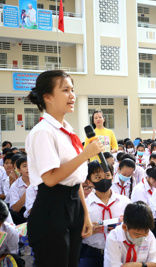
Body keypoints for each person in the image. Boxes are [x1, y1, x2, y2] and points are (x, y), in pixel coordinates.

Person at [25, 70, 103, 267]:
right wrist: (85, 154)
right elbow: (51, 179)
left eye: (73, 90)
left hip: (73, 204)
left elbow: (74, 178)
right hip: (52, 207)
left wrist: (84, 214)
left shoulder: (66, 129)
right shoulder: (43, 132)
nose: (72, 95)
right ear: (48, 97)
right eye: (65, 90)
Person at [79, 161, 131, 267]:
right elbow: (76, 233)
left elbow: (136, 229)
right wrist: (86, 231)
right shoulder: (85, 206)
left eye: (107, 175)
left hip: (120, 252)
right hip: (93, 253)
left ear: (113, 177)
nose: (103, 180)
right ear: (89, 181)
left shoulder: (124, 202)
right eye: (97, 177)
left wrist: (128, 224)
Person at [104, 202, 156, 267]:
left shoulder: (149, 234)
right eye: (137, 234)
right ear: (125, 227)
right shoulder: (113, 238)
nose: (141, 237)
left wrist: (140, 265)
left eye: (145, 233)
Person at [9, 157, 30, 224]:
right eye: (24, 166)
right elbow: (15, 208)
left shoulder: (39, 182)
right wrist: (29, 190)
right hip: (21, 212)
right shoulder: (15, 186)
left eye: (30, 165)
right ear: (19, 170)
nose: (28, 168)